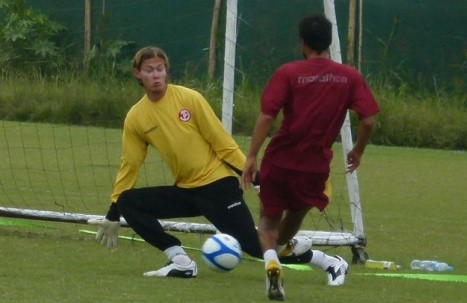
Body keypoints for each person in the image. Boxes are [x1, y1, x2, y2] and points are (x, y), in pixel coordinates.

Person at [88, 46, 312, 278]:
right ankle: (181, 261)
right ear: (137, 74)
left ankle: (326, 261)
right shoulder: (136, 117)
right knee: (130, 202)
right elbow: (130, 164)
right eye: (149, 70)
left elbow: (222, 143)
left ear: (166, 71)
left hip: (218, 186)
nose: (156, 75)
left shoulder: (190, 98)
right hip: (186, 190)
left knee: (254, 246)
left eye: (160, 69)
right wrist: (114, 211)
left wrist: (257, 178)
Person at [242, 14, 379, 300]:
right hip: (314, 164)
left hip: (280, 158)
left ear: (303, 43)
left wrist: (251, 155)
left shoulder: (289, 73)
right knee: (298, 211)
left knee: (268, 218)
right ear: (329, 42)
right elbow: (368, 121)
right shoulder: (349, 76)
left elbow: (268, 115)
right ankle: (279, 254)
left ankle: (271, 260)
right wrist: (358, 150)